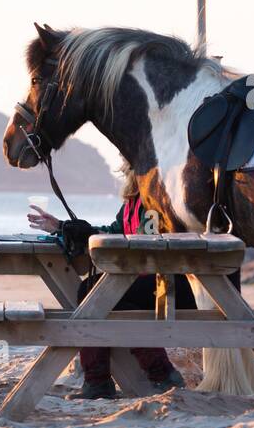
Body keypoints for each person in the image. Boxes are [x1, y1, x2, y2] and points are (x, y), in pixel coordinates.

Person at [27, 169, 191, 399]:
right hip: (144, 280)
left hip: (170, 284)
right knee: (96, 293)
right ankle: (150, 376)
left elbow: (146, 245)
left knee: (98, 294)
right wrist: (61, 226)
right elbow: (112, 233)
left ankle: (110, 381)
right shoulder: (132, 201)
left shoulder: (156, 198)